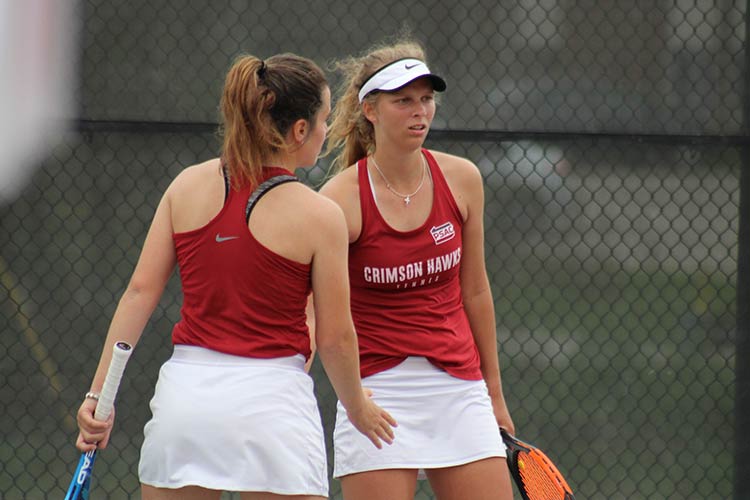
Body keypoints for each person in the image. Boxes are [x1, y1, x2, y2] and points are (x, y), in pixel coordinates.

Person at [74, 53, 396, 500]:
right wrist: (358, 406)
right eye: (323, 119)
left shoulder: (184, 186)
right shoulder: (322, 216)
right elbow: (336, 338)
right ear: (299, 131)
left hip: (185, 405)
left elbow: (138, 295)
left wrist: (98, 397)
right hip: (273, 409)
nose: (326, 131)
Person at [320, 39, 515, 500]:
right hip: (376, 392)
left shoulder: (463, 178)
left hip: (459, 386)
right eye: (403, 101)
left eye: (426, 99)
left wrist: (494, 394)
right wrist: (353, 402)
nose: (419, 112)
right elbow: (319, 314)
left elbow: (476, 293)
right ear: (370, 109)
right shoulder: (336, 200)